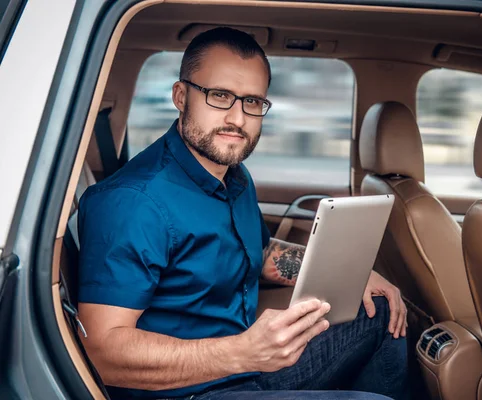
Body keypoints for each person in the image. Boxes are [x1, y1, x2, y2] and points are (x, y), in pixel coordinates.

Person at [77, 27, 409, 400]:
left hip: (245, 365)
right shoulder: (133, 202)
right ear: (181, 96)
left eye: (252, 102)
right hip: (186, 390)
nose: (237, 118)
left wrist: (351, 272)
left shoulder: (232, 173)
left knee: (378, 308)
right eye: (220, 96)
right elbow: (103, 352)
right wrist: (241, 353)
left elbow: (259, 254)